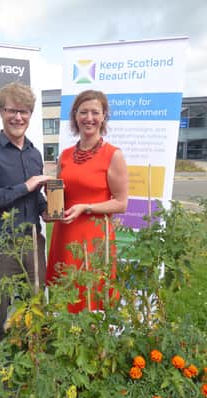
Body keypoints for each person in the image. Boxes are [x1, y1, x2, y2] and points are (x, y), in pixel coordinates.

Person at [0, 82, 52, 357]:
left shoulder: (34, 153)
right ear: (1, 111)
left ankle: (32, 361)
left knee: (34, 307)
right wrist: (24, 187)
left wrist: (45, 209)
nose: (18, 117)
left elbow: (34, 196)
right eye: (12, 110)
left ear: (30, 114)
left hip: (31, 243)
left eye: (24, 111)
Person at [46, 89, 128, 313]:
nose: (89, 118)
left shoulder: (113, 155)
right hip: (65, 234)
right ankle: (66, 341)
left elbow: (121, 203)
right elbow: (61, 195)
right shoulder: (64, 155)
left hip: (94, 236)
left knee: (92, 290)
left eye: (95, 112)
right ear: (75, 116)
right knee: (65, 287)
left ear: (103, 117)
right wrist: (51, 206)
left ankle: (94, 345)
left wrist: (87, 207)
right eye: (83, 112)